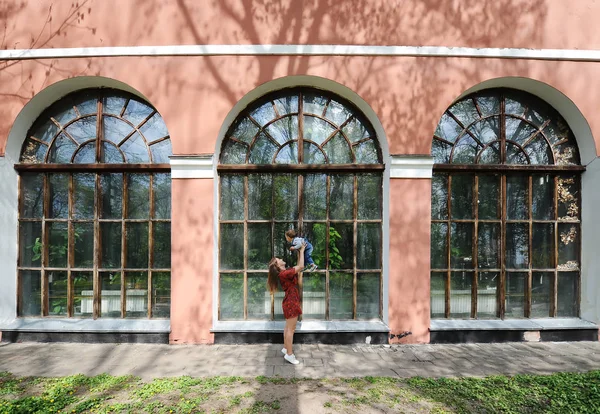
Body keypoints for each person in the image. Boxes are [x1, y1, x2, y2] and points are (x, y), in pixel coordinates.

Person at [267, 242, 306, 365]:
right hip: (291, 302)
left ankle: (285, 348)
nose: (281, 259)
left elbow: (297, 266)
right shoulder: (284, 273)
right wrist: (303, 250)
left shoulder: (285, 272)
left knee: (287, 327)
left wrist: (299, 251)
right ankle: (289, 355)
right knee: (291, 329)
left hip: (289, 301)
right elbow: (301, 266)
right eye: (279, 260)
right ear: (278, 266)